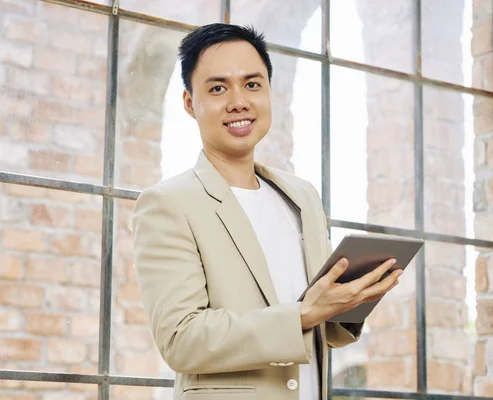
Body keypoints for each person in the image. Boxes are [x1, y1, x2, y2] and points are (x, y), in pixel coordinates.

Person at [132, 23, 402, 400]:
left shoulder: (302, 197)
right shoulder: (168, 204)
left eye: (252, 84)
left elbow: (322, 327)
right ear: (190, 103)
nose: (239, 101)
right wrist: (303, 315)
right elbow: (182, 339)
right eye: (218, 88)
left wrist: (352, 298)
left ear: (270, 93)